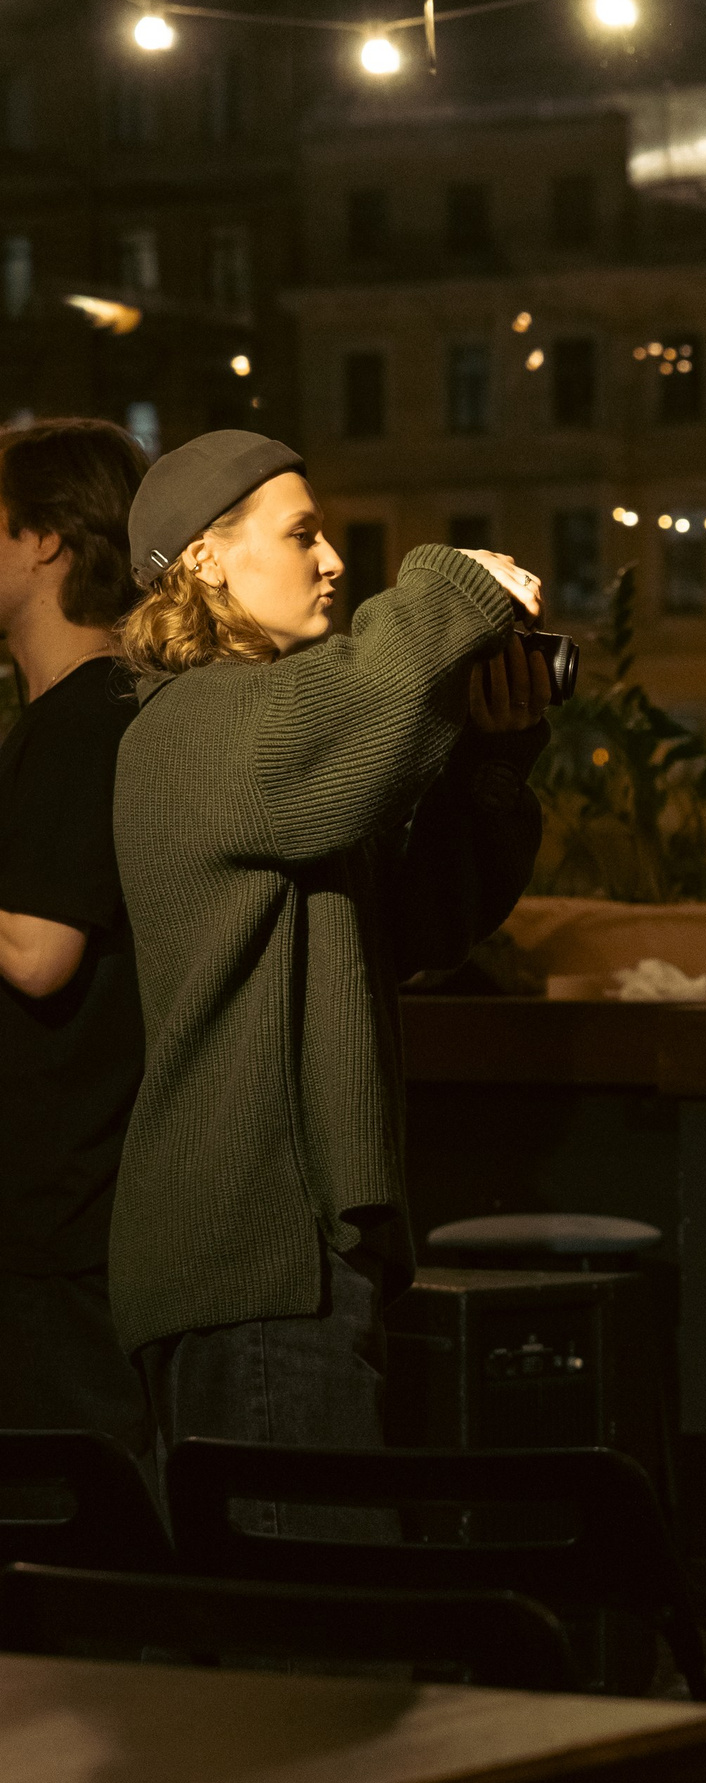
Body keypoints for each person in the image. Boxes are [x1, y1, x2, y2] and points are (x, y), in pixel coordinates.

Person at [110, 430, 552, 1513]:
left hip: (294, 1257)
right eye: (301, 534)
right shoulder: (193, 725)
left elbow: (413, 927)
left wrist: (491, 766)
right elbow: (359, 704)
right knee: (313, 1603)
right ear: (206, 559)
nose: (333, 559)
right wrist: (452, 585)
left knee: (305, 1601)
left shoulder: (270, 751)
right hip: (251, 1256)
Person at [0, 418, 149, 1451]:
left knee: (78, 1514)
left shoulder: (85, 718)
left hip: (61, 1218)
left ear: (46, 538)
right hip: (68, 1212)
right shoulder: (85, 714)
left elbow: (37, 953)